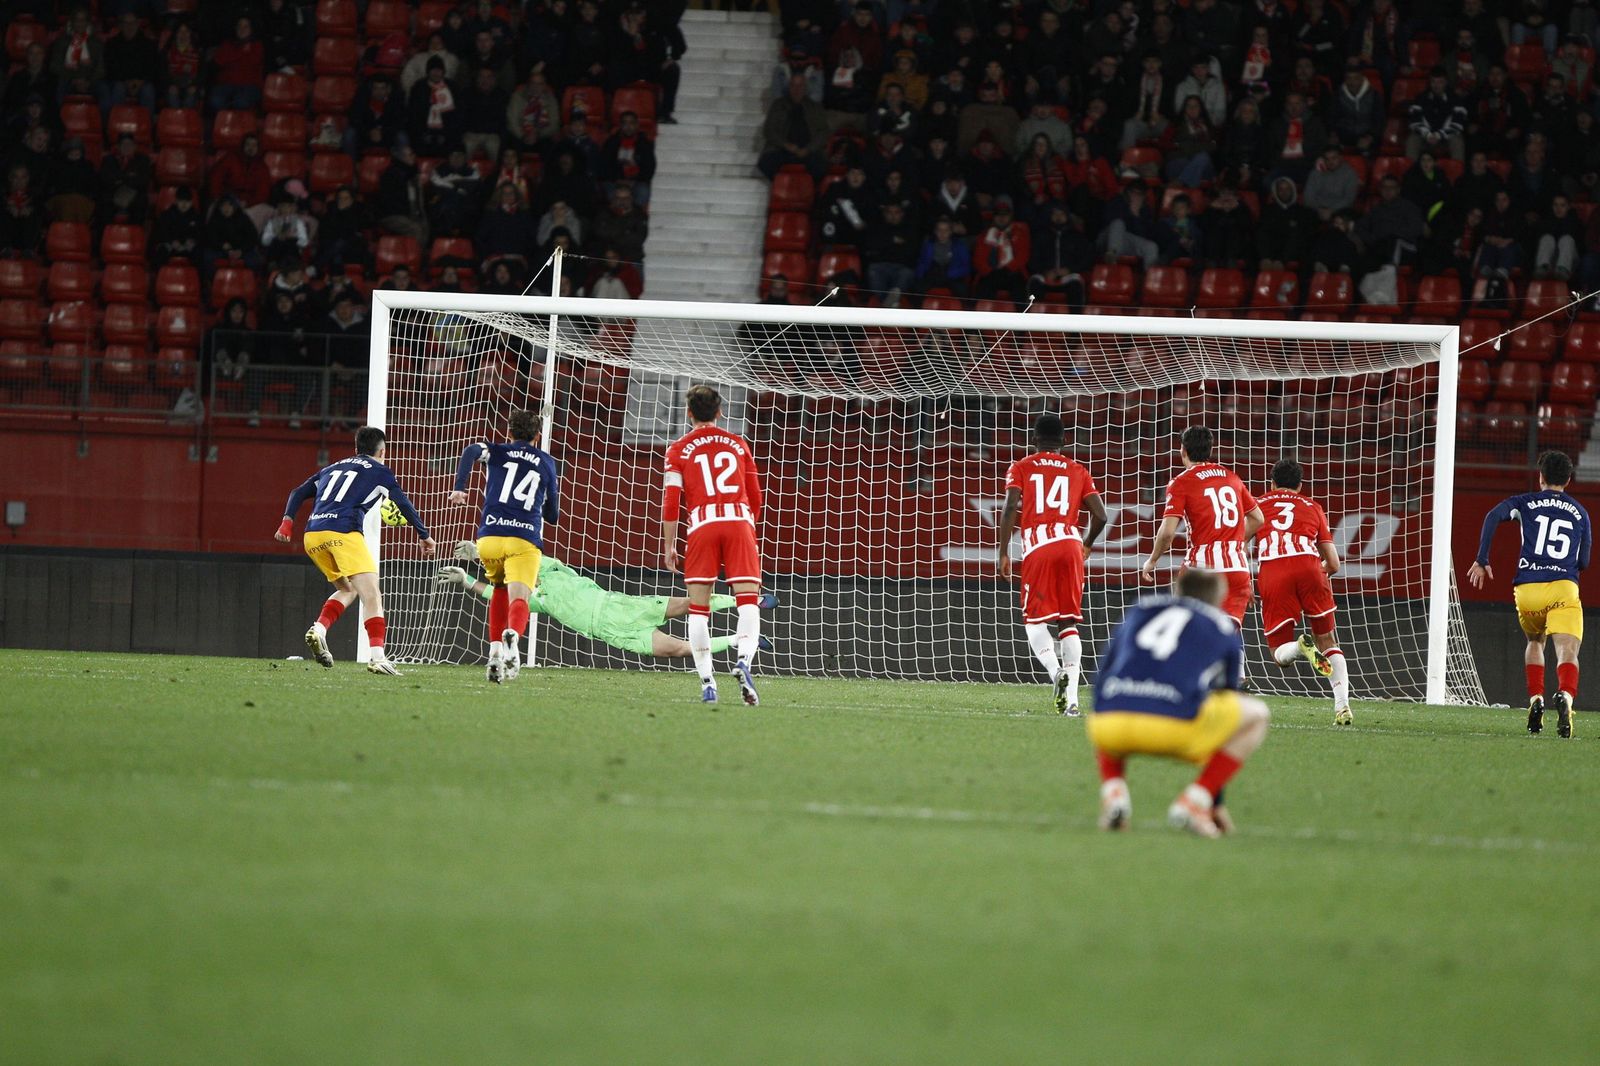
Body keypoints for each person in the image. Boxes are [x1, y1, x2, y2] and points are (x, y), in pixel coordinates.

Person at [1089, 568, 1272, 838]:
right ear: (1219, 598)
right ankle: (1196, 801)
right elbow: (1227, 698)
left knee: (1112, 698)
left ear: (1178, 590)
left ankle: (1114, 794)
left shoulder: (1141, 608)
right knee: (1256, 713)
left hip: (1108, 729)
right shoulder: (1222, 627)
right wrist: (1216, 799)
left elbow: (1103, 674)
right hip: (1174, 731)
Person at [275, 426, 436, 675]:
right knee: (372, 595)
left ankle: (319, 629)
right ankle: (378, 657)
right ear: (382, 451)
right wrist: (424, 534)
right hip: (343, 532)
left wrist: (287, 523)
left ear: (356, 447)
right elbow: (402, 502)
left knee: (348, 589)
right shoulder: (381, 472)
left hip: (313, 535)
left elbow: (297, 492)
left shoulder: (332, 468)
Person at [438, 543, 778, 660]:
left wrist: (481, 554)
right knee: (680, 649)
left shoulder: (551, 569)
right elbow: (499, 593)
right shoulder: (536, 598)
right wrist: (468, 580)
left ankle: (748, 601)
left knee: (690, 603)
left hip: (621, 605)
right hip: (614, 633)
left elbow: (516, 560)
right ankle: (740, 640)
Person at [1468, 451, 1591, 738]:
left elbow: (1493, 515)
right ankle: (1566, 697)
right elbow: (1584, 561)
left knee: (1535, 640)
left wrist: (1482, 559)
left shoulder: (1525, 502)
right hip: (1563, 586)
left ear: (1541, 477)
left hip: (1528, 590)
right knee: (1567, 650)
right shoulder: (1580, 511)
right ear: (1568, 480)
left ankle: (1536, 699)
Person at [995, 413, 1110, 716]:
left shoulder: (1021, 467)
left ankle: (1054, 671)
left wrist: (1003, 551)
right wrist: (1086, 544)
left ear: (1034, 439)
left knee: (1034, 621)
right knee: (1068, 622)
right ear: (1064, 441)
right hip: (1071, 546)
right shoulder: (1078, 470)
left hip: (1040, 547)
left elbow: (1009, 509)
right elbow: (1101, 515)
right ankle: (1071, 701)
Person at [661, 385, 765, 705]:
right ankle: (744, 662)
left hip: (702, 526)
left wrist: (669, 546)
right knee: (748, 600)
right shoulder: (737, 444)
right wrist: (746, 527)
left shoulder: (678, 449)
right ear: (720, 412)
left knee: (699, 609)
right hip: (738, 522)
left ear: (689, 412)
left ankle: (708, 683)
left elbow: (671, 502)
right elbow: (755, 494)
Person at [447, 410, 561, 683]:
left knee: (498, 588)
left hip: (489, 539)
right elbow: (553, 516)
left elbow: (471, 450)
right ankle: (514, 636)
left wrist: (460, 486)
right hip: (523, 539)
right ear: (538, 435)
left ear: (508, 433)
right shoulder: (546, 462)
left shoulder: (496, 451)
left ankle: (494, 655)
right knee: (519, 597)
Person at [1254, 459, 1352, 725]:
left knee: (1278, 655)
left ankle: (1299, 647)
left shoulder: (1257, 504)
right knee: (1328, 641)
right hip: (1310, 565)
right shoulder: (1313, 506)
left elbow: (1239, 542)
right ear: (1300, 485)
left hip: (1273, 570)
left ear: (1271, 483)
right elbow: (1333, 564)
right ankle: (1342, 706)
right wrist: (1313, 571)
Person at [1142, 426, 1265, 632]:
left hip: (1202, 570)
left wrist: (1152, 560)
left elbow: (1167, 532)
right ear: (1210, 449)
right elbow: (1258, 518)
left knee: (1186, 634)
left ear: (1183, 450)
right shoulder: (1231, 477)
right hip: (1238, 569)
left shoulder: (1182, 482)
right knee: (1227, 639)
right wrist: (1233, 541)